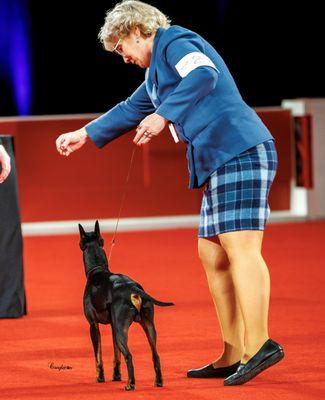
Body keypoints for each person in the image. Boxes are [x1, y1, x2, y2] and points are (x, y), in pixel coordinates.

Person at [55, 0, 284, 386]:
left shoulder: (174, 42)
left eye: (121, 47)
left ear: (135, 31)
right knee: (212, 253)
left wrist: (163, 115)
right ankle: (233, 352)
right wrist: (84, 133)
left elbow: (205, 76)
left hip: (239, 149)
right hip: (219, 160)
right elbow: (130, 109)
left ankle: (260, 344)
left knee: (240, 247)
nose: (122, 57)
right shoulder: (157, 76)